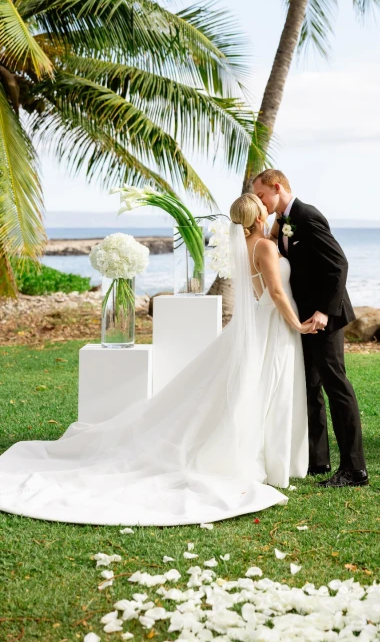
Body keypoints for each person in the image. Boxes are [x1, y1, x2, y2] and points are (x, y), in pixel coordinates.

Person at [0, 194, 310, 526]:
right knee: (268, 387)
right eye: (263, 207)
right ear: (259, 214)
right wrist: (297, 324)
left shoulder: (246, 243)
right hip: (273, 322)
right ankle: (274, 458)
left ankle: (271, 454)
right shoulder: (263, 246)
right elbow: (276, 293)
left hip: (258, 323)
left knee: (254, 386)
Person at [253, 169, 368, 488]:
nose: (259, 201)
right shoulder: (285, 220)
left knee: (336, 386)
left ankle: (354, 469)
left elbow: (338, 265)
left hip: (324, 318)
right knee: (310, 386)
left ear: (277, 188)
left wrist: (323, 313)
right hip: (304, 319)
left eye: (261, 194)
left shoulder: (307, 215)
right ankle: (318, 459)